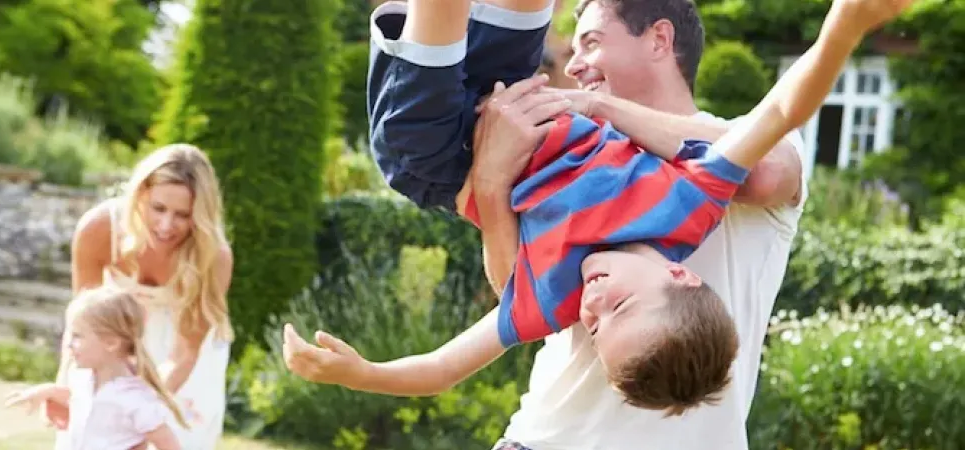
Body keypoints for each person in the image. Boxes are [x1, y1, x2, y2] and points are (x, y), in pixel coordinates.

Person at [281, 0, 909, 423]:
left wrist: (361, 373)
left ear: (659, 40)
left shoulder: (559, 295)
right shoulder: (684, 203)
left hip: (441, 158)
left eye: (595, 328)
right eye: (616, 311)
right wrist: (844, 28)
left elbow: (449, 361)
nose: (590, 311)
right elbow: (781, 110)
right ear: (680, 273)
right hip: (512, 108)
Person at [475, 0, 910, 449]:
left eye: (592, 43)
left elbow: (763, 175)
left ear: (660, 39)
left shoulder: (742, 137)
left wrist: (600, 107)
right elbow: (520, 292)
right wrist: (491, 185)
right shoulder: (573, 161)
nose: (577, 64)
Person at [50, 143, 235, 449]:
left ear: (200, 214)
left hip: (184, 356)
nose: (165, 226)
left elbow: (184, 353)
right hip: (115, 335)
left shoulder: (213, 256)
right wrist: (64, 388)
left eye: (182, 215)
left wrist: (137, 409)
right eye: (158, 208)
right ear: (140, 196)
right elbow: (83, 325)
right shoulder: (99, 229)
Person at [7, 287, 187, 450]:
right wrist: (46, 391)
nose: (69, 344)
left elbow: (167, 443)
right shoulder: (83, 378)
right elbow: (80, 399)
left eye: (78, 336)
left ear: (111, 342)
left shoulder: (135, 398)